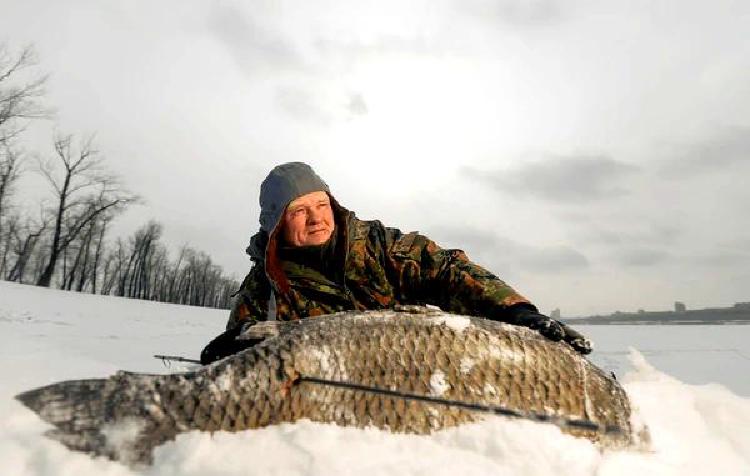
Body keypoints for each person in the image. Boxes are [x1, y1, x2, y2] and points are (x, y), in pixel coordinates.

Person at [200, 162, 592, 364]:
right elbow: (246, 351)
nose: (317, 218)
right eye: (299, 211)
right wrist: (230, 351)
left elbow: (448, 270)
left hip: (425, 378)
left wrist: (519, 313)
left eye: (321, 205)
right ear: (276, 224)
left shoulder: (379, 245)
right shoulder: (262, 291)